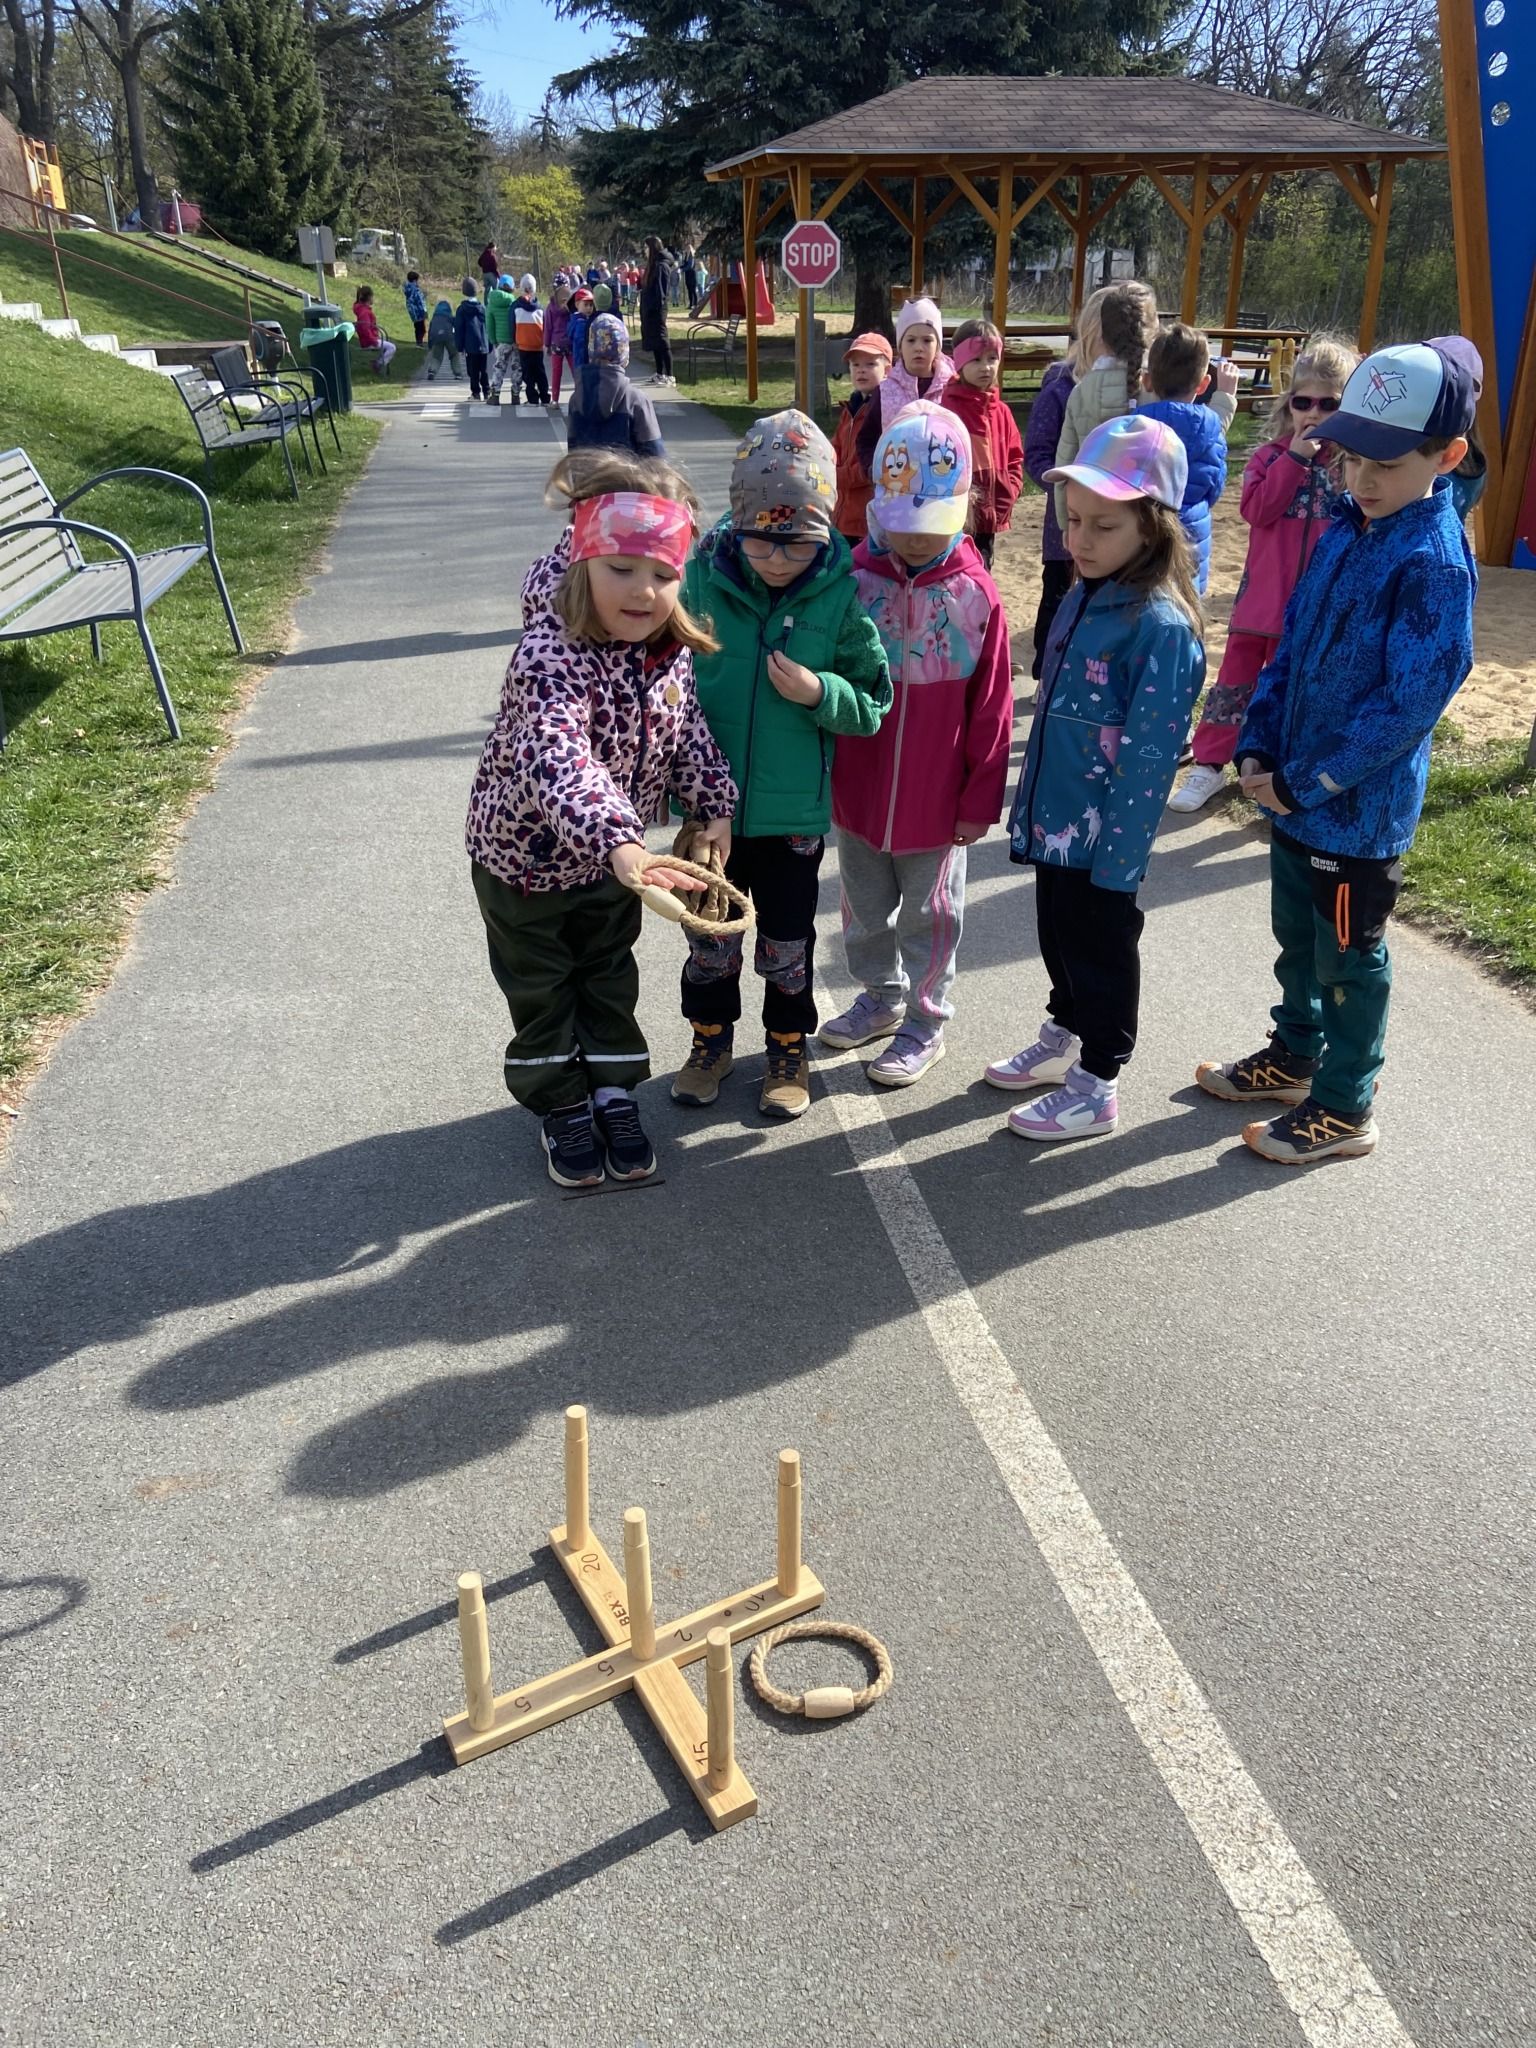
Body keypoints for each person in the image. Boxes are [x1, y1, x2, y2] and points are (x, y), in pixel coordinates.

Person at [1195, 340, 1477, 1163]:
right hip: (1291, 793)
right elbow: (1289, 645)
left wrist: (1311, 780)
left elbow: (1408, 706)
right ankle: (1295, 1054)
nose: (1362, 478)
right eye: (1352, 458)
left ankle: (1347, 1104)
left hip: (1354, 815)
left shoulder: (1434, 562)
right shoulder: (1348, 528)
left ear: (1447, 456)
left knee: (1350, 960)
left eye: (1386, 463)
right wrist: (1257, 740)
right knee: (1298, 939)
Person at [465, 451, 737, 1189]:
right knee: (544, 988)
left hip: (616, 867)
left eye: (663, 573)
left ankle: (613, 1091)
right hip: (524, 867)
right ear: (584, 560)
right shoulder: (550, 652)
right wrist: (618, 839)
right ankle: (561, 1102)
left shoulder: (665, 653)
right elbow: (557, 757)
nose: (644, 590)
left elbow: (687, 733)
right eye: (622, 568)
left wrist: (714, 803)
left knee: (608, 975)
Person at [988, 415, 1205, 1141]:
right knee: (1058, 937)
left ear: (1153, 528)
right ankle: (1064, 1034)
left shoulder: (1160, 628)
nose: (1078, 540)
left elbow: (1149, 762)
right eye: (1073, 519)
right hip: (1057, 822)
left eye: (1102, 526)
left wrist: (1118, 862)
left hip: (1103, 840)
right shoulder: (1084, 592)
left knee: (1101, 951)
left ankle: (1098, 1081)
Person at [672, 410, 892, 1119]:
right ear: (737, 524)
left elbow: (873, 701)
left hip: (793, 817)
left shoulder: (840, 595)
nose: (775, 560)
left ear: (822, 533)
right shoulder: (699, 584)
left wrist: (820, 692)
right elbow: (664, 687)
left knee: (787, 945)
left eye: (797, 544)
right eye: (761, 541)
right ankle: (710, 1042)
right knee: (709, 937)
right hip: (710, 815)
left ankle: (787, 1048)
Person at [822, 401, 1012, 1084]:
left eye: (931, 530)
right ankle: (881, 997)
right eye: (903, 528)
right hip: (859, 791)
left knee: (932, 917)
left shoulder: (975, 595)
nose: (915, 542)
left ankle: (927, 1021)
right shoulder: (852, 581)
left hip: (937, 802)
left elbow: (992, 709)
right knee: (863, 912)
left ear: (961, 511)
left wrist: (978, 802)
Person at [1168, 332, 1358, 812]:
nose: (1313, 413)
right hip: (1260, 604)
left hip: (1314, 609)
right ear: (1288, 404)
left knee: (1293, 691)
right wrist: (1295, 457)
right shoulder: (1269, 458)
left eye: (1329, 404)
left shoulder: (1352, 469)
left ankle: (1275, 774)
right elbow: (1257, 509)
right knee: (1233, 684)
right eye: (1303, 401)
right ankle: (1209, 764)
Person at [1132, 322, 1235, 594]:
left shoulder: (1133, 428)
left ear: (1147, 380)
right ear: (1203, 384)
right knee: (1186, 605)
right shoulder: (1212, 431)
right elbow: (1214, 488)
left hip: (1143, 535)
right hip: (1191, 536)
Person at [1052, 280, 1159, 533]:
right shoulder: (1157, 389)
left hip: (1093, 521)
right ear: (1151, 331)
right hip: (1146, 522)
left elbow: (1065, 464)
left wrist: (1067, 526)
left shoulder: (1081, 392)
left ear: (1101, 334)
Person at [940, 318, 1024, 571]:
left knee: (983, 573)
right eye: (976, 360)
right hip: (957, 517)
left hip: (990, 517)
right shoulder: (948, 409)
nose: (985, 367)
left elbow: (1015, 456)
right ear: (959, 362)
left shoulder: (1002, 412)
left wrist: (1012, 488)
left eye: (992, 358)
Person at [854, 296, 953, 478]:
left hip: (941, 485)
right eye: (911, 340)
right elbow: (866, 439)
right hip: (897, 486)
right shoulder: (885, 391)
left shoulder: (952, 388)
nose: (919, 347)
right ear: (900, 345)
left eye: (927, 340)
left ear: (938, 346)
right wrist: (872, 469)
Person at [567, 314, 666, 458]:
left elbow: (573, 452)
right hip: (626, 472)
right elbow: (655, 455)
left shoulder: (576, 399)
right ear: (623, 351)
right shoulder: (635, 400)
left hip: (586, 472)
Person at [832, 332, 892, 544]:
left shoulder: (884, 410)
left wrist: (836, 477)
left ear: (887, 370)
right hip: (841, 514)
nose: (861, 370)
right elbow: (836, 447)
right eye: (855, 364)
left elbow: (874, 464)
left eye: (870, 364)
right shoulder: (850, 408)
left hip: (867, 519)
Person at [640, 234, 677, 386]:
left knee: (662, 340)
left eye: (646, 247)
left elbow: (661, 290)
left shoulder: (661, 266)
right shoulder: (653, 264)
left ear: (652, 248)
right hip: (650, 308)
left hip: (657, 308)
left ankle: (670, 375)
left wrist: (654, 306)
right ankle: (660, 373)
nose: (644, 250)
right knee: (654, 340)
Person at [514, 274, 549, 405]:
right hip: (538, 345)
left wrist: (514, 340)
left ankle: (532, 398)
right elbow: (545, 326)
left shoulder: (516, 307)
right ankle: (545, 397)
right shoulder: (540, 308)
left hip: (523, 345)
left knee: (528, 374)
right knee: (540, 372)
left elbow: (511, 325)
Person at [485, 273, 521, 405]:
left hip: (501, 341)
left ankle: (495, 395)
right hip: (515, 340)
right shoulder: (514, 303)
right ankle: (515, 395)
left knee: (499, 367)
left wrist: (493, 340)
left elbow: (489, 325)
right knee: (517, 367)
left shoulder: (492, 303)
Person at [455, 278, 489, 401]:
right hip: (483, 344)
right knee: (483, 370)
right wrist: (489, 344)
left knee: (472, 370)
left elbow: (459, 329)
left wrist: (459, 346)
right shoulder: (483, 308)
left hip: (470, 345)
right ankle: (487, 391)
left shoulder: (462, 309)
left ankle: (476, 393)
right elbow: (488, 327)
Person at [351, 286, 396, 376]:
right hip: (369, 341)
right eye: (372, 296)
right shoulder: (365, 312)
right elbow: (365, 329)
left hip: (369, 339)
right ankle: (378, 364)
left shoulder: (362, 310)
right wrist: (373, 341)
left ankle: (378, 363)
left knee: (387, 344)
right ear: (369, 297)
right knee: (392, 348)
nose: (373, 299)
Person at [544, 282, 573, 404]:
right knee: (575, 370)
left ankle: (555, 400)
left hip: (556, 343)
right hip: (570, 342)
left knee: (556, 372)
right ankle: (582, 396)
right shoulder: (571, 308)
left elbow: (548, 327)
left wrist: (547, 344)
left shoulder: (550, 308)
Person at [424, 296, 460, 381]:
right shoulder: (450, 317)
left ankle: (432, 371)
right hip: (449, 337)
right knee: (454, 354)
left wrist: (430, 345)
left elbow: (430, 332)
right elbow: (457, 327)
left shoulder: (434, 318)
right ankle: (457, 373)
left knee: (436, 356)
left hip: (436, 337)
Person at [568, 286, 595, 375]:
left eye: (591, 305)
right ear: (577, 305)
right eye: (585, 305)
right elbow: (581, 343)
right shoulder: (581, 323)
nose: (589, 308)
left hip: (579, 362)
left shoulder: (576, 319)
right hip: (583, 363)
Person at [404, 271, 427, 346]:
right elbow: (419, 300)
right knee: (421, 329)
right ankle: (419, 343)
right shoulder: (415, 289)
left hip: (412, 311)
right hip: (418, 311)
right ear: (415, 280)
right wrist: (424, 311)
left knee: (417, 327)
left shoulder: (408, 288)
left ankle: (419, 342)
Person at [681, 246, 699, 313]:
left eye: (688, 248)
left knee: (693, 290)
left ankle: (695, 304)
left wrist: (682, 269)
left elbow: (690, 266)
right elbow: (684, 264)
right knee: (689, 290)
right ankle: (691, 304)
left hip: (691, 274)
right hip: (687, 275)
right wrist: (680, 268)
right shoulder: (686, 256)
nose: (687, 250)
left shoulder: (692, 256)